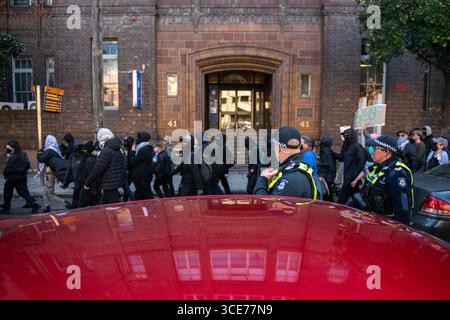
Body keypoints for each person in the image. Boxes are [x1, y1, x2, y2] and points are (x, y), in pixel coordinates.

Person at [361, 135, 414, 225]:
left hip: (387, 228)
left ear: (386, 151)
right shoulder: (377, 168)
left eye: (374, 149)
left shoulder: (397, 174)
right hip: (374, 222)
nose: (371, 152)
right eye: (370, 148)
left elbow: (403, 212)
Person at [253, 127, 317, 199]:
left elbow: (266, 205)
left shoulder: (291, 178)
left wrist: (262, 179)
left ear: (279, 148)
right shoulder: (294, 167)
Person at [83, 128, 125, 205]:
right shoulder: (118, 149)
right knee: (104, 207)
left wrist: (87, 183)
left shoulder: (106, 151)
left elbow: (97, 170)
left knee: (113, 208)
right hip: (114, 183)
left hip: (108, 185)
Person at [1, 140, 41, 214]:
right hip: (21, 177)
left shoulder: (13, 156)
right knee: (23, 192)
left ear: (13, 148)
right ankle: (34, 204)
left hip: (13, 178)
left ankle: (6, 208)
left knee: (7, 191)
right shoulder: (22, 154)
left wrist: (6, 173)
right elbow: (27, 165)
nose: (7, 149)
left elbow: (9, 168)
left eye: (8, 147)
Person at [37, 135, 70, 213]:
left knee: (50, 194)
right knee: (45, 193)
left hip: (50, 174)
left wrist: (39, 153)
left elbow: (41, 159)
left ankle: (66, 203)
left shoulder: (50, 151)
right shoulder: (55, 150)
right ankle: (47, 207)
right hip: (51, 173)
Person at [334, 128, 367, 204]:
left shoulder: (357, 147)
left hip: (352, 177)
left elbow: (361, 162)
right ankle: (363, 206)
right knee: (355, 194)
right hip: (347, 175)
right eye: (344, 135)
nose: (345, 137)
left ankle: (338, 208)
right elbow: (342, 158)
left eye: (347, 135)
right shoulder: (346, 146)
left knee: (343, 197)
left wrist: (355, 177)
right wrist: (333, 154)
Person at [129, 131, 155, 200]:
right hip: (143, 174)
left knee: (145, 193)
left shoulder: (143, 150)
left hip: (142, 175)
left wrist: (132, 151)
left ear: (141, 139)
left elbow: (133, 161)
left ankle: (150, 208)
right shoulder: (144, 147)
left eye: (138, 138)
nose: (137, 139)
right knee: (141, 193)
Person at [62, 140, 85, 209]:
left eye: (79, 148)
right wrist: (65, 182)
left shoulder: (84, 156)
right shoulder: (72, 157)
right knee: (76, 195)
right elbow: (69, 169)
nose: (77, 150)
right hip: (76, 180)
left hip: (83, 181)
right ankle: (74, 206)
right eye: (76, 148)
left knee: (82, 197)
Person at [77, 141, 99, 208]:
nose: (83, 151)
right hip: (87, 185)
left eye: (84, 149)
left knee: (82, 205)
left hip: (88, 186)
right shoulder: (86, 158)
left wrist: (93, 190)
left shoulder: (89, 160)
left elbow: (92, 175)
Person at [317, 136, 337, 202]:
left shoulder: (325, 151)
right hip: (329, 176)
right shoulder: (328, 151)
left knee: (327, 193)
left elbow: (325, 164)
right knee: (329, 192)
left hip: (327, 177)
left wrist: (322, 175)